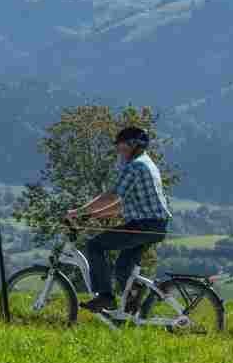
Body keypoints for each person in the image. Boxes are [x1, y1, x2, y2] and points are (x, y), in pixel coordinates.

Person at [65, 126, 172, 313]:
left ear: (133, 145)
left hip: (144, 225)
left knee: (95, 246)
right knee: (123, 269)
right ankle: (134, 303)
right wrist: (91, 215)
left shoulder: (136, 166)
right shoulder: (146, 163)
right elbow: (121, 205)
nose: (119, 152)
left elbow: (113, 196)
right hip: (153, 225)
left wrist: (79, 211)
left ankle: (105, 296)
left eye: (122, 147)